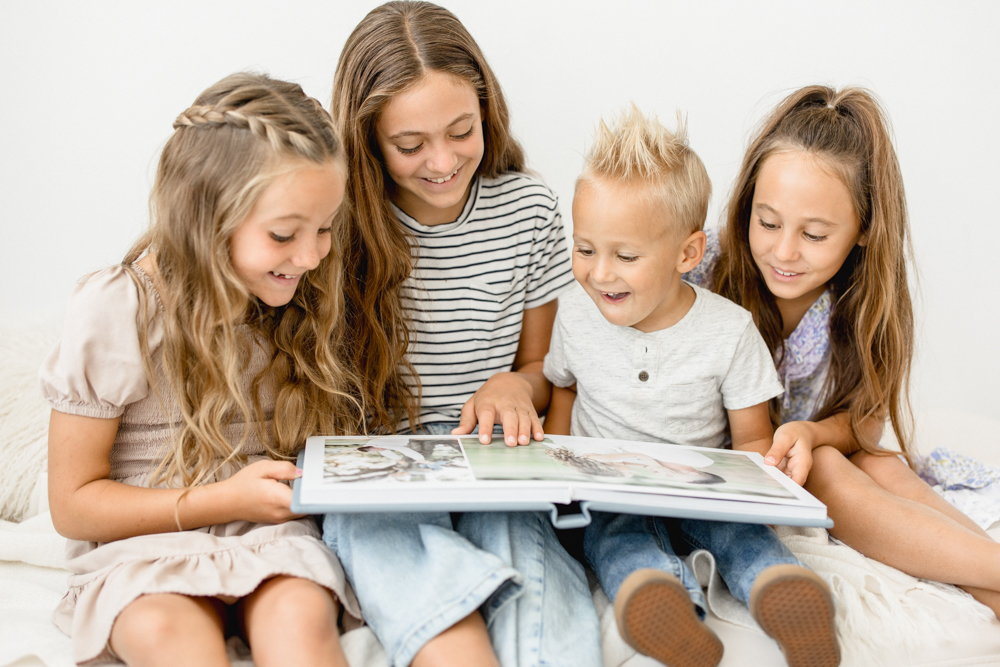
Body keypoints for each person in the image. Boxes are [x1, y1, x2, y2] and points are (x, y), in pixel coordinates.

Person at [41, 73, 362, 667]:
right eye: (284, 234)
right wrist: (221, 500)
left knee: (298, 618)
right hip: (142, 548)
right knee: (166, 632)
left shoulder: (290, 300)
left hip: (266, 539)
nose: (312, 255)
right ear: (206, 219)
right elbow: (73, 504)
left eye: (324, 228)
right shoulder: (120, 307)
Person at [321, 3, 600, 667]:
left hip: (490, 448)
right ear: (368, 141)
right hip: (379, 456)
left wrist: (514, 384)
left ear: (486, 112)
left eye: (461, 131)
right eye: (410, 145)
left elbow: (543, 366)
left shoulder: (529, 209)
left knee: (520, 538)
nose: (443, 161)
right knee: (370, 533)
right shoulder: (339, 220)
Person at [685, 84, 1000, 619]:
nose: (784, 251)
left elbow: (867, 420)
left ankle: (989, 576)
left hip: (818, 449)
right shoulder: (703, 265)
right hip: (753, 465)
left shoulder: (862, 299)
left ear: (864, 229)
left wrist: (811, 433)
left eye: (814, 234)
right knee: (827, 467)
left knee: (881, 465)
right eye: (768, 222)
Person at [544, 105, 841, 667]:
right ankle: (659, 604)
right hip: (609, 491)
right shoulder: (575, 314)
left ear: (688, 253)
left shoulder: (730, 330)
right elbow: (564, 390)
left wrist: (754, 499)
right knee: (613, 538)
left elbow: (751, 441)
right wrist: (555, 469)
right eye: (584, 249)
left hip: (701, 487)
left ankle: (783, 589)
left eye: (625, 256)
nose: (599, 273)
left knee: (739, 535)